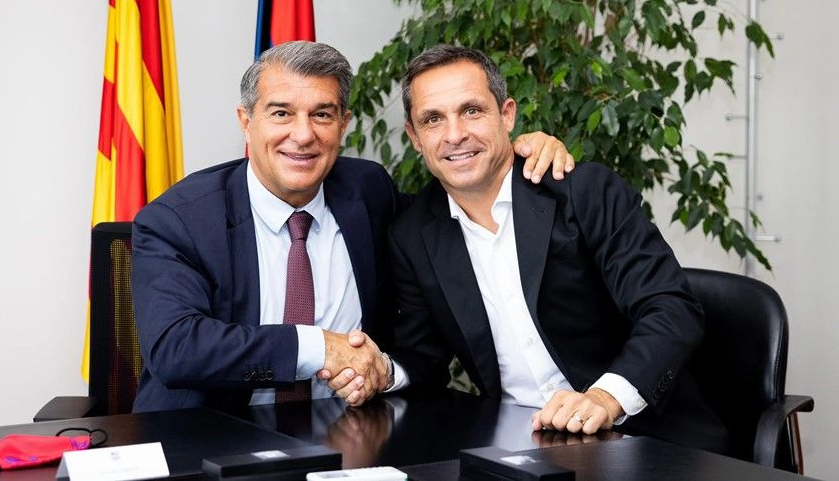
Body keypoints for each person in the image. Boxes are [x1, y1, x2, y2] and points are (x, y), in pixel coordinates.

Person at [129, 41, 573, 414]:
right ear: (247, 122)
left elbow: (457, 211)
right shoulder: (179, 220)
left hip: (352, 439)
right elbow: (175, 346)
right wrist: (320, 347)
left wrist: (514, 157)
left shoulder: (368, 192)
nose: (303, 135)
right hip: (208, 440)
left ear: (343, 124)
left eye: (322, 115)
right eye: (281, 114)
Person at [328, 44, 727, 452]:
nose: (454, 135)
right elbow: (423, 356)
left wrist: (605, 398)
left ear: (507, 115)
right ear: (414, 137)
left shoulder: (583, 191)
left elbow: (671, 308)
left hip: (647, 438)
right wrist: (383, 371)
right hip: (520, 446)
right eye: (433, 119)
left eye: (471, 111)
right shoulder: (413, 234)